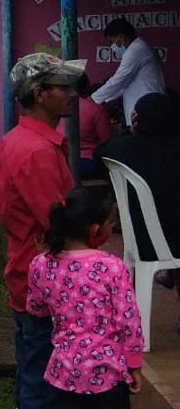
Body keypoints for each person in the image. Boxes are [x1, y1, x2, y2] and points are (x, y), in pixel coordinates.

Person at [26, 188, 144, 409]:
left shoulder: (41, 264)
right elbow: (128, 320)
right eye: (110, 223)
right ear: (95, 230)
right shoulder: (111, 266)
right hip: (104, 372)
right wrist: (134, 364)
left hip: (64, 370)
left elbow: (35, 307)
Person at [0, 53, 82, 409]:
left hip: (29, 277)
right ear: (39, 94)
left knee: (34, 373)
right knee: (44, 380)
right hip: (46, 285)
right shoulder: (36, 151)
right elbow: (60, 224)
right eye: (62, 86)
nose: (71, 93)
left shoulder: (24, 141)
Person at [97, 91, 180, 259]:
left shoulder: (121, 149)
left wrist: (129, 131)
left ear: (136, 119)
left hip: (144, 242)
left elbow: (98, 153)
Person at [91, 17, 167, 126]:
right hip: (145, 105)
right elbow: (124, 84)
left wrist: (93, 99)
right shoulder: (136, 48)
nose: (112, 46)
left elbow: (119, 80)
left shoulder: (136, 49)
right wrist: (106, 100)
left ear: (121, 37)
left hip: (149, 106)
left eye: (112, 41)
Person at [75, 75, 115, 181]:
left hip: (61, 161)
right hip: (88, 162)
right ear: (86, 86)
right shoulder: (95, 109)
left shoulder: (56, 107)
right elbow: (107, 141)